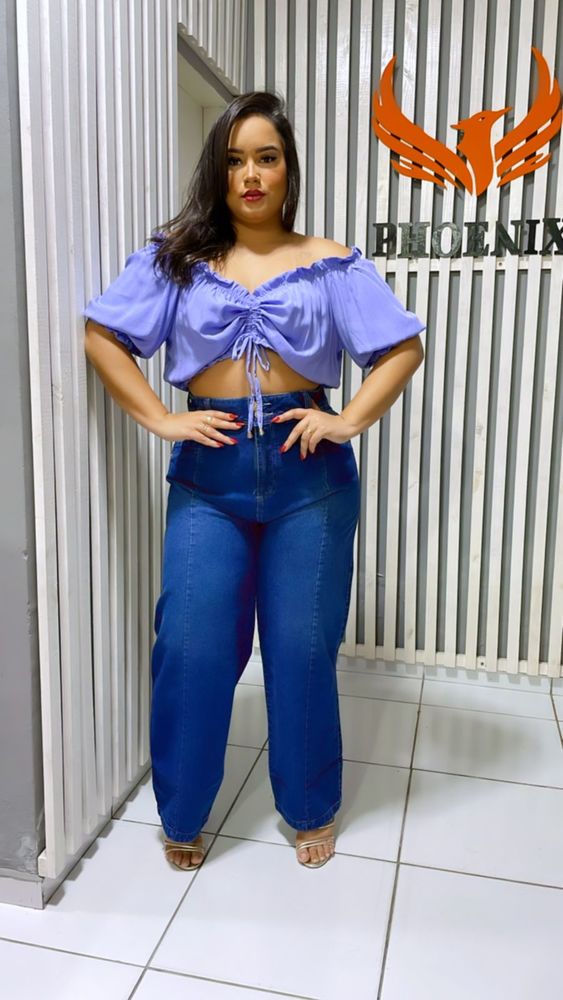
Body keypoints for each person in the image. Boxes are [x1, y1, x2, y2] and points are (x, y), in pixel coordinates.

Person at [82, 90, 425, 872]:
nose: (250, 175)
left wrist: (347, 419)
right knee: (192, 646)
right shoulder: (176, 259)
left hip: (311, 480)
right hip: (210, 477)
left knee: (301, 650)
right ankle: (183, 813)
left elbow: (400, 348)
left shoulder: (330, 262)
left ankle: (309, 806)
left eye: (266, 158)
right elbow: (103, 336)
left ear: (286, 169)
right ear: (218, 170)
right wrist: (160, 419)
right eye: (235, 160)